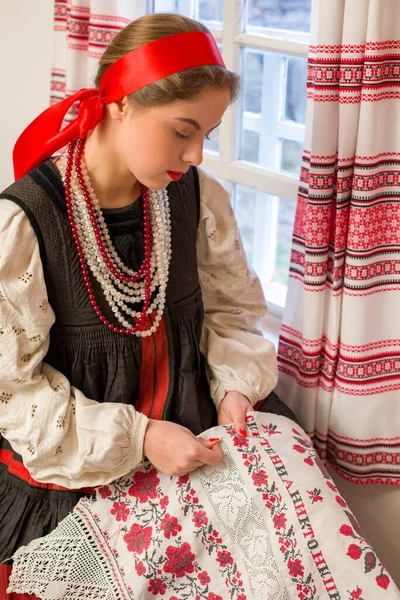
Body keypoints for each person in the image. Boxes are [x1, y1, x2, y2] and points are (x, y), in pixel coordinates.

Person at [0, 12, 296, 598]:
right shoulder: (26, 224)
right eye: (183, 131)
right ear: (121, 104)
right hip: (78, 474)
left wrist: (234, 384)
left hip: (194, 444)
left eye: (206, 136)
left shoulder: (194, 198)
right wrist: (139, 438)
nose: (196, 155)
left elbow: (230, 310)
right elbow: (14, 389)